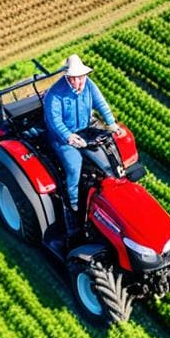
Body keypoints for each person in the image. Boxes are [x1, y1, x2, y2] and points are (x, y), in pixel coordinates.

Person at [44, 54, 124, 229]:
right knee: (74, 164)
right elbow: (53, 121)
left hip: (85, 128)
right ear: (68, 77)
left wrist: (111, 123)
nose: (78, 82)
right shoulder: (55, 94)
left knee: (108, 151)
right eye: (74, 78)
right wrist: (69, 137)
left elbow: (101, 103)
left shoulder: (89, 85)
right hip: (62, 136)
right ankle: (73, 201)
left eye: (80, 77)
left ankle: (117, 184)